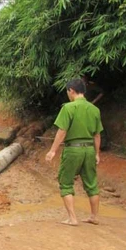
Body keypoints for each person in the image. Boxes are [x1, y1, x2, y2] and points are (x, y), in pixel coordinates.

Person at [45, 78, 103, 226]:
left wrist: (52, 151)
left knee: (65, 183)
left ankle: (72, 218)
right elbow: (97, 135)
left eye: (67, 92)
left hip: (73, 149)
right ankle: (94, 216)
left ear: (71, 90)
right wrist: (97, 154)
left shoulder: (68, 108)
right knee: (91, 183)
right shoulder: (94, 109)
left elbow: (62, 131)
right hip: (89, 149)